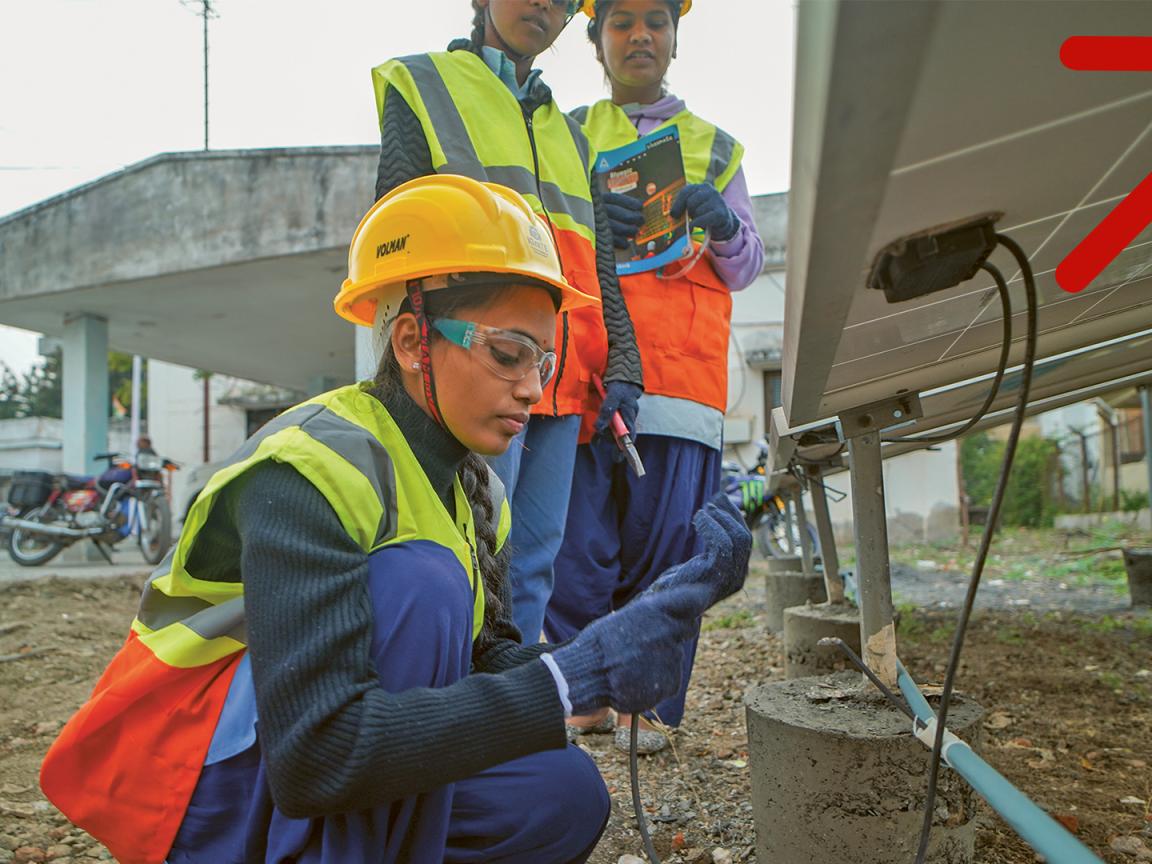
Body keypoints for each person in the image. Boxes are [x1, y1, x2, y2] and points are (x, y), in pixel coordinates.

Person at [39, 176, 751, 864]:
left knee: (561, 797)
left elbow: (487, 657)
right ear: (413, 342)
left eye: (545, 358)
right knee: (423, 583)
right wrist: (569, 680)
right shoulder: (310, 466)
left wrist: (615, 647)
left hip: (306, 767)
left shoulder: (474, 490)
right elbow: (317, 757)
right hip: (197, 783)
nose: (534, 388)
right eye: (508, 353)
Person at [370, 0, 645, 643]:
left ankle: (512, 713)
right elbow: (398, 233)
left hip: (559, 375)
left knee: (534, 561)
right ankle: (453, 710)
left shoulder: (572, 137)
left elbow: (598, 265)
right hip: (472, 364)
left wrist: (623, 363)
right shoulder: (425, 85)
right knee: (461, 553)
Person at [548, 0, 764, 754]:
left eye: (656, 21)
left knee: (668, 548)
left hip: (683, 382)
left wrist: (727, 225)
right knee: (577, 545)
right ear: (596, 39)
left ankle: (645, 701)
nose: (641, 34)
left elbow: (746, 268)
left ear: (675, 36)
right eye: (622, 21)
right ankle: (583, 694)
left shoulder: (717, 150)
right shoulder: (566, 136)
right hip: (584, 372)